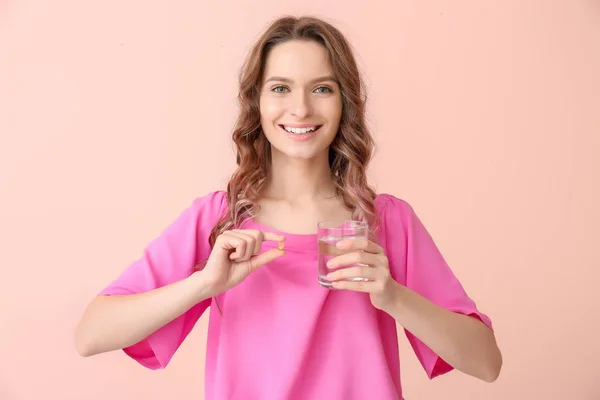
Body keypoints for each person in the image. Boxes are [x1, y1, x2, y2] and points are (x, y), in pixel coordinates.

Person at [74, 15, 502, 400]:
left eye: (322, 89)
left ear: (344, 103)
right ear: (256, 103)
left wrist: (392, 296)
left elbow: (486, 363)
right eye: (280, 88)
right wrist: (204, 284)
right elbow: (91, 334)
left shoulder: (385, 220)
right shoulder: (220, 219)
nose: (301, 108)